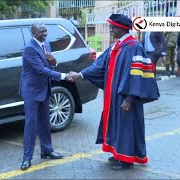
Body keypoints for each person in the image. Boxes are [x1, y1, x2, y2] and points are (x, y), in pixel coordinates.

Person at [68, 14, 160, 170]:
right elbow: (98, 66)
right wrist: (80, 74)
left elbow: (137, 75)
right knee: (117, 125)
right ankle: (119, 154)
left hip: (125, 97)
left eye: (113, 27)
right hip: (113, 97)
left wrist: (130, 99)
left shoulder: (134, 47)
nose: (111, 30)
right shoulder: (115, 46)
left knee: (127, 126)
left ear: (122, 28)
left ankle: (127, 160)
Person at [19, 23, 73, 170]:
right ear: (33, 32)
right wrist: (64, 76)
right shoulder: (29, 49)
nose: (45, 33)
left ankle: (47, 150)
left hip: (44, 88)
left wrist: (54, 62)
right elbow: (40, 70)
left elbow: (49, 66)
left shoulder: (46, 44)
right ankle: (27, 158)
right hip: (31, 91)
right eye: (42, 31)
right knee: (31, 124)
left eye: (45, 30)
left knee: (44, 121)